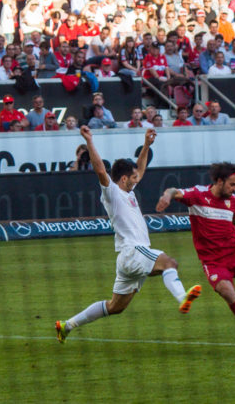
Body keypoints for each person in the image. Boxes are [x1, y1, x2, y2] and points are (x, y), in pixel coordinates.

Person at [56, 127, 202, 344]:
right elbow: (99, 170)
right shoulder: (112, 193)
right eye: (133, 177)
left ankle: (66, 325)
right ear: (123, 178)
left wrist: (146, 145)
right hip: (134, 251)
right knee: (169, 262)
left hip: (127, 257)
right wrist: (89, 141)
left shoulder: (128, 190)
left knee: (115, 307)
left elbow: (140, 170)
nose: (138, 179)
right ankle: (182, 298)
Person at [156, 162, 235, 343]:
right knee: (226, 291)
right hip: (213, 262)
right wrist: (167, 197)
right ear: (220, 181)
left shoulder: (232, 201)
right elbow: (173, 190)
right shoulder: (198, 195)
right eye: (232, 184)